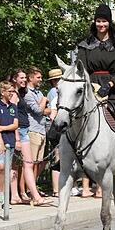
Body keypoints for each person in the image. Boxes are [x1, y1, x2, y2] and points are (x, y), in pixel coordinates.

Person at [65, 4, 115, 172]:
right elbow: (81, 67)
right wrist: (89, 84)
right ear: (94, 22)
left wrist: (108, 86)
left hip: (113, 87)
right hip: (89, 86)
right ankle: (63, 153)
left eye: (104, 21)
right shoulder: (85, 46)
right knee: (67, 110)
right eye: (98, 21)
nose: (101, 24)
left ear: (109, 23)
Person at [11, 69, 50, 207]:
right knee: (22, 164)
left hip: (24, 129)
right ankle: (30, 196)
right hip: (19, 131)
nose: (24, 80)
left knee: (22, 164)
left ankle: (20, 195)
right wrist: (16, 138)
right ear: (14, 79)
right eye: (21, 78)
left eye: (25, 78)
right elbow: (13, 116)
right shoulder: (13, 94)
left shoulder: (20, 93)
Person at [0, 81, 18, 212]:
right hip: (0, 142)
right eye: (10, 91)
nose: (12, 93)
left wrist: (4, 128)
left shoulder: (13, 107)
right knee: (0, 166)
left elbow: (15, 124)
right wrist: (1, 142)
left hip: (11, 141)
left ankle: (5, 199)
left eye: (13, 91)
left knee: (8, 169)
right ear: (3, 92)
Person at [44, 68, 63, 196]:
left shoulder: (53, 91)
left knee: (60, 156)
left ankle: (59, 188)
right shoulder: (55, 92)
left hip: (55, 125)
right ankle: (57, 189)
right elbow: (53, 111)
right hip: (56, 126)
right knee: (58, 156)